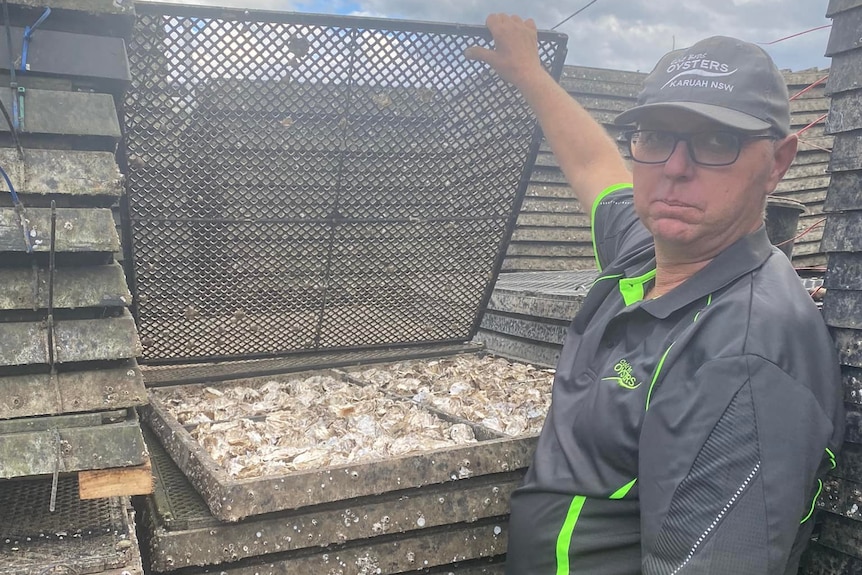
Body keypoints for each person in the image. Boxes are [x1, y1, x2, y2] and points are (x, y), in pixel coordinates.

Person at [465, 14, 844, 575]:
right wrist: (530, 72)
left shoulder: (741, 359)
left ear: (779, 162)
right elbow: (595, 164)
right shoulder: (648, 253)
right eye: (656, 137)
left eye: (718, 141)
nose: (675, 169)